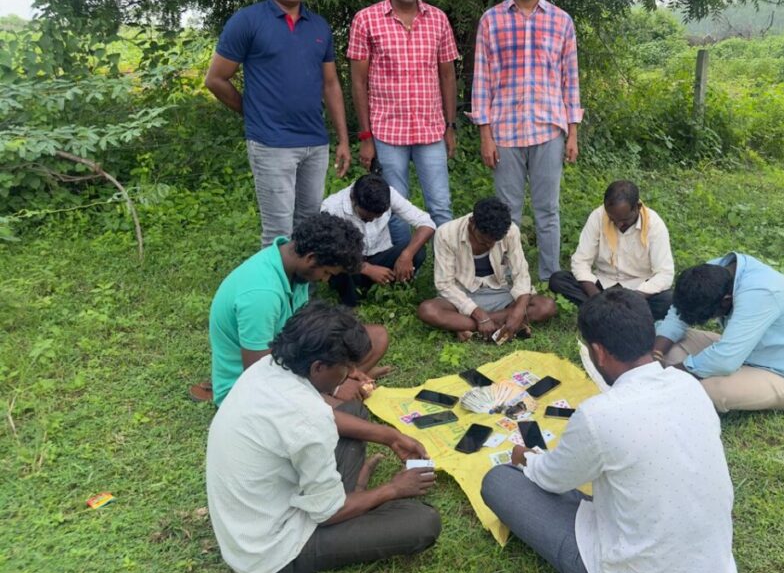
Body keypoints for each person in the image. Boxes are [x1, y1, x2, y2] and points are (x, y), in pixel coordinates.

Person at [481, 289, 736, 573]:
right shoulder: (689, 386)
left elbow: (549, 479)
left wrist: (525, 457)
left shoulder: (598, 415)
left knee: (499, 481)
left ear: (598, 353)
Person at [206, 300, 441, 573]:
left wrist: (389, 435)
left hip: (254, 518)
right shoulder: (308, 418)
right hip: (270, 551)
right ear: (318, 367)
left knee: (352, 414)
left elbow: (322, 420)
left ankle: (350, 495)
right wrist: (393, 489)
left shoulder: (267, 366)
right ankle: (354, 498)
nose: (353, 374)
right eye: (345, 368)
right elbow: (330, 514)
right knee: (423, 522)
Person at [205, 0, 351, 248]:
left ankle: (302, 294)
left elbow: (331, 84)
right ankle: (273, 296)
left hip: (314, 142)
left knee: (309, 226)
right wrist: (251, 112)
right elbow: (216, 79)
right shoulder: (247, 22)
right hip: (271, 144)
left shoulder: (319, 26)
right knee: (278, 233)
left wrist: (343, 139)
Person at [470, 0, 582, 281]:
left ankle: (550, 276)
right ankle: (512, 275)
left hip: (548, 130)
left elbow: (570, 79)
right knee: (508, 212)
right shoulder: (491, 21)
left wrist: (573, 132)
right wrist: (485, 135)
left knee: (548, 210)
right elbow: (482, 81)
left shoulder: (561, 21)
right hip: (505, 132)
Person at [206, 212, 389, 407]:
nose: (325, 279)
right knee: (347, 412)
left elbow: (307, 333)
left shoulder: (294, 270)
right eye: (327, 272)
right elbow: (259, 374)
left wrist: (347, 369)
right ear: (311, 259)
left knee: (376, 337)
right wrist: (334, 388)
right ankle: (335, 389)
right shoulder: (261, 294)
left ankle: (340, 382)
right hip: (249, 391)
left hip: (289, 362)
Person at [348, 0, 459, 246]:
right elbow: (358, 82)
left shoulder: (437, 19)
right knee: (394, 207)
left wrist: (450, 127)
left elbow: (447, 75)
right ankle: (401, 269)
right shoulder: (366, 20)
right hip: (387, 131)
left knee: (440, 206)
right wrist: (366, 136)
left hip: (431, 129)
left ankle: (446, 275)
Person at [653, 253, 784, 413]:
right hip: (744, 352)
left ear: (726, 301)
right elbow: (677, 316)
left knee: (708, 390)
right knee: (668, 343)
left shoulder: (761, 294)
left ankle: (677, 382)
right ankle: (676, 377)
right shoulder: (712, 273)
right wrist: (656, 355)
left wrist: (665, 374)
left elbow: (725, 360)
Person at [417, 196, 557, 341]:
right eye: (484, 241)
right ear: (472, 223)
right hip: (462, 293)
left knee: (546, 306)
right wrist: (480, 315)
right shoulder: (446, 233)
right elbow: (444, 285)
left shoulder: (510, 231)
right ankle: (499, 326)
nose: (489, 246)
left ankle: (467, 327)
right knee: (428, 310)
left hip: (500, 291)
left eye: (494, 242)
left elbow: (521, 274)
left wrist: (518, 312)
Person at [549, 180, 674, 321]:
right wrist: (597, 297)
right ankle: (619, 313)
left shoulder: (654, 224)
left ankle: (604, 313)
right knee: (558, 280)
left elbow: (665, 274)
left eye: (624, 220)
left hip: (638, 290)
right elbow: (580, 262)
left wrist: (634, 298)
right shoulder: (598, 216)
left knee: (668, 301)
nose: (618, 224)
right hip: (603, 286)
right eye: (613, 219)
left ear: (637, 207)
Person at [321, 173, 436, 306]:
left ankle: (392, 295)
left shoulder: (388, 194)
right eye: (366, 217)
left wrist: (406, 255)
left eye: (377, 217)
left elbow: (427, 224)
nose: (371, 221)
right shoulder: (331, 208)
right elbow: (327, 251)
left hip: (380, 256)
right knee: (336, 262)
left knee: (417, 250)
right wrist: (366, 268)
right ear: (353, 199)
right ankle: (351, 305)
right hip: (350, 263)